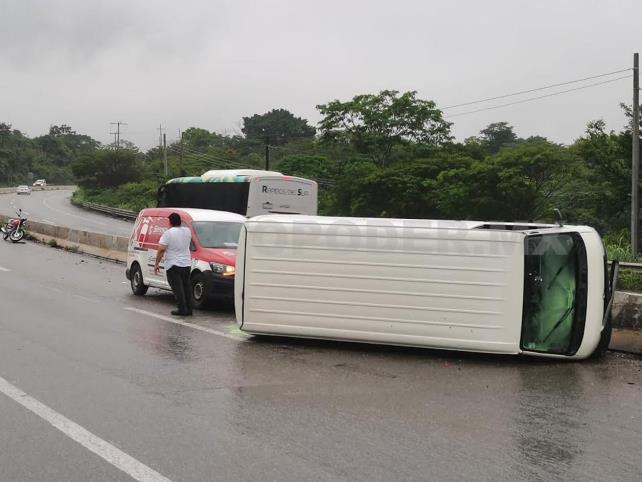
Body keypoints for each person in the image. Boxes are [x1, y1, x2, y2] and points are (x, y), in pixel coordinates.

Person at [154, 212, 193, 316]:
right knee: (186, 287)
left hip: (173, 264)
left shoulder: (168, 233)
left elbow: (161, 250)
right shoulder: (187, 231)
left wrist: (156, 263)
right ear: (179, 221)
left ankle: (182, 309)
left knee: (177, 288)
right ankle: (189, 309)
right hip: (186, 264)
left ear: (170, 222)